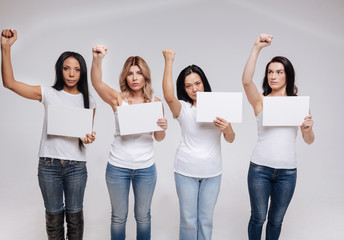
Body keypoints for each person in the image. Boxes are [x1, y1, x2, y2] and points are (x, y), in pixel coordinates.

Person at [0, 29, 96, 240]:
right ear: (59, 70)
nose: (71, 74)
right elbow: (9, 83)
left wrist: (88, 137)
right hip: (49, 166)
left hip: (76, 166)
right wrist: (5, 48)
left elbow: (86, 133)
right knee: (53, 220)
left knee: (75, 218)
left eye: (77, 69)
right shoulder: (48, 93)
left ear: (82, 73)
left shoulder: (89, 100)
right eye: (66, 68)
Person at [242, 34, 315, 240]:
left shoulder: (299, 104)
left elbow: (309, 139)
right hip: (260, 169)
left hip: (287, 172)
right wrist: (256, 48)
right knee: (258, 218)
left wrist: (307, 128)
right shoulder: (260, 101)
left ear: (287, 76)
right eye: (270, 72)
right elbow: (246, 81)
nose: (273, 76)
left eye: (279, 72)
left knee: (276, 220)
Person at [90, 45, 167, 240]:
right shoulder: (118, 99)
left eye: (139, 73)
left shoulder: (155, 102)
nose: (134, 78)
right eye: (130, 73)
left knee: (143, 217)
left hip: (145, 168)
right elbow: (97, 83)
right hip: (118, 167)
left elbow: (159, 138)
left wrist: (162, 126)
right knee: (118, 217)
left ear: (145, 77)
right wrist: (97, 59)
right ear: (125, 76)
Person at [162, 49, 235, 240]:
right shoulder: (183, 108)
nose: (194, 89)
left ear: (204, 83)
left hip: (212, 173)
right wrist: (168, 61)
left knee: (205, 220)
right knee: (188, 220)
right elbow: (169, 96)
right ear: (184, 89)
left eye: (197, 83)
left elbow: (230, 138)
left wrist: (227, 127)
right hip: (185, 171)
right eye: (188, 86)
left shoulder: (218, 106)